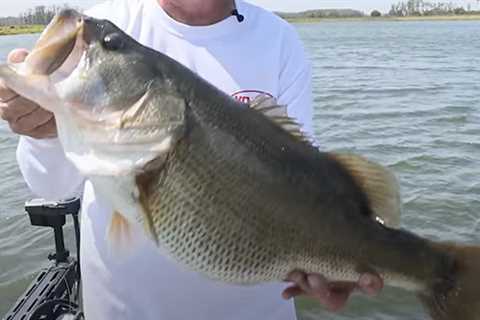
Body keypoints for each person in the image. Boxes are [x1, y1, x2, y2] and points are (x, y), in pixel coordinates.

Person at [0, 0, 383, 319]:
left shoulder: (279, 40)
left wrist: (348, 249)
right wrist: (43, 133)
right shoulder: (110, 25)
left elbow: (305, 181)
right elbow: (48, 184)